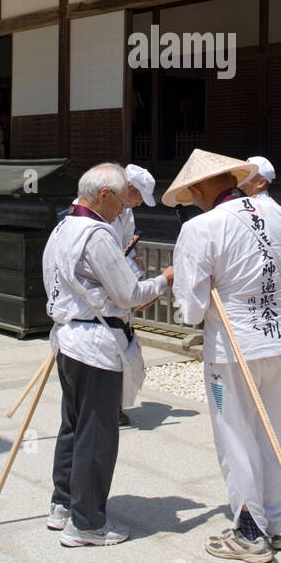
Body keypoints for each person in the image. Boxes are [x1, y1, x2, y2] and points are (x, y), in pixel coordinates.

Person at [167, 148, 281, 563]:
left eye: (192, 193)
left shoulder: (201, 227)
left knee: (236, 438)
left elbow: (190, 309)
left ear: (197, 188)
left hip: (232, 348)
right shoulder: (278, 215)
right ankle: (277, 525)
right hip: (276, 340)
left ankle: (249, 528)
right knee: (274, 433)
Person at [43, 162, 173, 547]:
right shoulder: (97, 234)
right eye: (120, 202)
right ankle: (86, 524)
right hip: (95, 342)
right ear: (105, 195)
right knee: (97, 432)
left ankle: (64, 504)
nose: (123, 211)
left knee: (74, 425)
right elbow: (130, 294)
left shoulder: (63, 226)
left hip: (69, 338)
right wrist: (165, 279)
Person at [112, 163, 158, 427]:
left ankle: (116, 404)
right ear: (129, 188)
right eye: (139, 196)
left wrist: (135, 260)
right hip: (98, 296)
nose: (139, 203)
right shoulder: (96, 208)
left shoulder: (126, 213)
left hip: (120, 287)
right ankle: (105, 407)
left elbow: (127, 244)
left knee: (124, 347)